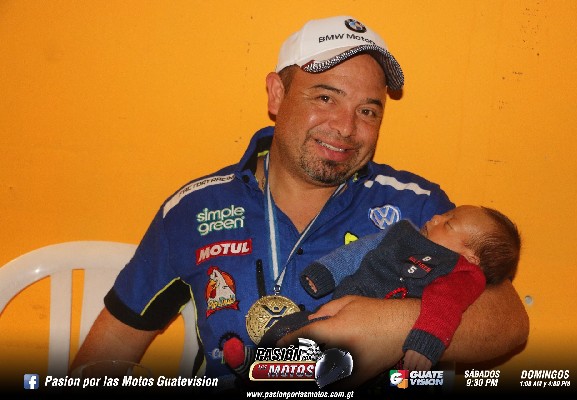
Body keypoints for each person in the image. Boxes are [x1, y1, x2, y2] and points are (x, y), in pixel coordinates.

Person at [70, 15, 529, 391]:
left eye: (368, 110)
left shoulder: (420, 207)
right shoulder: (194, 210)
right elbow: (115, 341)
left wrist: (387, 326)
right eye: (325, 97)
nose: (346, 127)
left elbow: (508, 321)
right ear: (277, 94)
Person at [256, 205, 521, 373]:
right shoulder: (403, 234)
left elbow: (444, 306)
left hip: (388, 357)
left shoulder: (459, 273)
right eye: (445, 214)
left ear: (471, 259)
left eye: (448, 223)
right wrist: (325, 273)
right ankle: (260, 363)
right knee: (287, 331)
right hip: (330, 313)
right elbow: (361, 250)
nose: (436, 217)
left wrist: (425, 343)